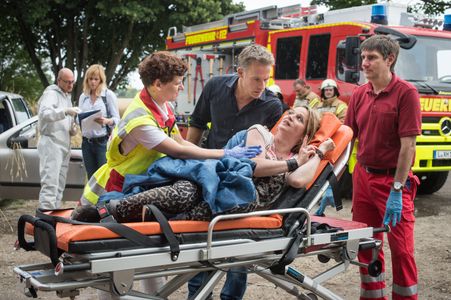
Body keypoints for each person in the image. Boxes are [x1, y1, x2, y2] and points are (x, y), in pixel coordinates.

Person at [76, 51, 260, 300]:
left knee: (144, 254)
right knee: (116, 261)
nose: (182, 86)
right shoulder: (140, 119)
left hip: (139, 188)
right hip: (113, 190)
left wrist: (223, 154)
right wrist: (226, 153)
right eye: (177, 82)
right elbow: (180, 150)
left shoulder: (162, 106)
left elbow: (183, 143)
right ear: (158, 84)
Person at [73, 106, 334, 223]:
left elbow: (298, 181)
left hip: (233, 204)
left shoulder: (299, 160)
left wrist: (320, 153)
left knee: (187, 212)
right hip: (216, 180)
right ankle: (106, 211)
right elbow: (253, 166)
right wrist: (291, 162)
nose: (289, 117)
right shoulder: (262, 134)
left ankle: (147, 219)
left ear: (304, 135)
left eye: (298, 118)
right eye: (290, 113)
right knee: (185, 191)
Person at [186, 44, 283, 300]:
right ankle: (197, 294)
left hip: (243, 182)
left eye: (266, 79)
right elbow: (196, 126)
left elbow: (271, 152)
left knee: (240, 243)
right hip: (209, 172)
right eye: (256, 78)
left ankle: (232, 297)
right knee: (201, 238)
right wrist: (185, 161)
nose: (261, 85)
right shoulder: (215, 87)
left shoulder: (272, 106)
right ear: (240, 71)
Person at [344, 35, 421, 299]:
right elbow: (347, 136)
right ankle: (373, 295)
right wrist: (327, 174)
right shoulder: (359, 94)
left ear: (389, 59)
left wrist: (398, 189)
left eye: (371, 58)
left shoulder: (406, 93)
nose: (364, 63)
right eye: (363, 57)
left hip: (392, 181)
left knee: (401, 249)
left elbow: (408, 147)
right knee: (367, 244)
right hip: (363, 179)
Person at [37, 68, 80, 210]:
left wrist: (72, 129)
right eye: (67, 82)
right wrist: (65, 111)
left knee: (59, 187)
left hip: (63, 145)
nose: (70, 85)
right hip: (51, 143)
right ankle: (44, 222)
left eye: (72, 82)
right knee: (50, 185)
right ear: (59, 80)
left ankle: (52, 219)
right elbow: (44, 114)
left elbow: (61, 121)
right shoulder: (51, 93)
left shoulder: (65, 96)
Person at [78, 64, 120, 179]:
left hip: (102, 142)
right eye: (90, 79)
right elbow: (78, 119)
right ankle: (93, 198)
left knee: (103, 178)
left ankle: (105, 198)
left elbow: (117, 120)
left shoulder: (108, 95)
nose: (93, 82)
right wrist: (79, 119)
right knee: (91, 178)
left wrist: (106, 121)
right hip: (86, 142)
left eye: (96, 79)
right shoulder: (83, 96)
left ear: (101, 80)